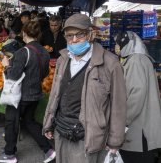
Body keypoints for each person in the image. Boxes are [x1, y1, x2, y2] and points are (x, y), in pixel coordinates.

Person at [42, 14, 127, 163]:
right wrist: (48, 123)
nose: (74, 40)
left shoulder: (110, 63)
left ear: (90, 34)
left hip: (88, 136)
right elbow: (55, 93)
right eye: (69, 36)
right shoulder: (63, 59)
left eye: (79, 34)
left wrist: (115, 140)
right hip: (61, 130)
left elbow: (118, 105)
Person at [0, 21, 55, 163]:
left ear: (24, 34)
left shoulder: (23, 52)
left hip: (20, 95)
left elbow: (13, 76)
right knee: (29, 121)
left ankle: (9, 154)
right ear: (38, 35)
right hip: (35, 94)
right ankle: (49, 150)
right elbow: (46, 72)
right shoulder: (45, 52)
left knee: (11, 122)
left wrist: (7, 65)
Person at [114, 31, 161, 163]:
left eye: (118, 44)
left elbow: (136, 94)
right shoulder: (138, 59)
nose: (116, 47)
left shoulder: (136, 60)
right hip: (140, 127)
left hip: (138, 130)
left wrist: (122, 120)